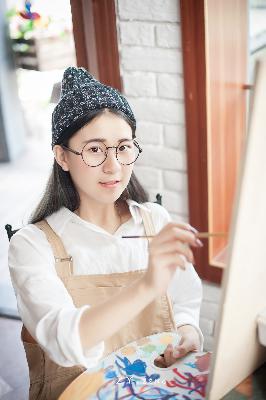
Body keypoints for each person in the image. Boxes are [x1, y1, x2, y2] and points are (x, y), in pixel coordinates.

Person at [8, 67, 204, 400]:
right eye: (95, 150)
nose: (113, 166)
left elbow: (185, 299)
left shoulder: (156, 221)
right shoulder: (32, 245)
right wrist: (147, 286)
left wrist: (187, 331)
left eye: (123, 147)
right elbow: (64, 342)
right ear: (62, 157)